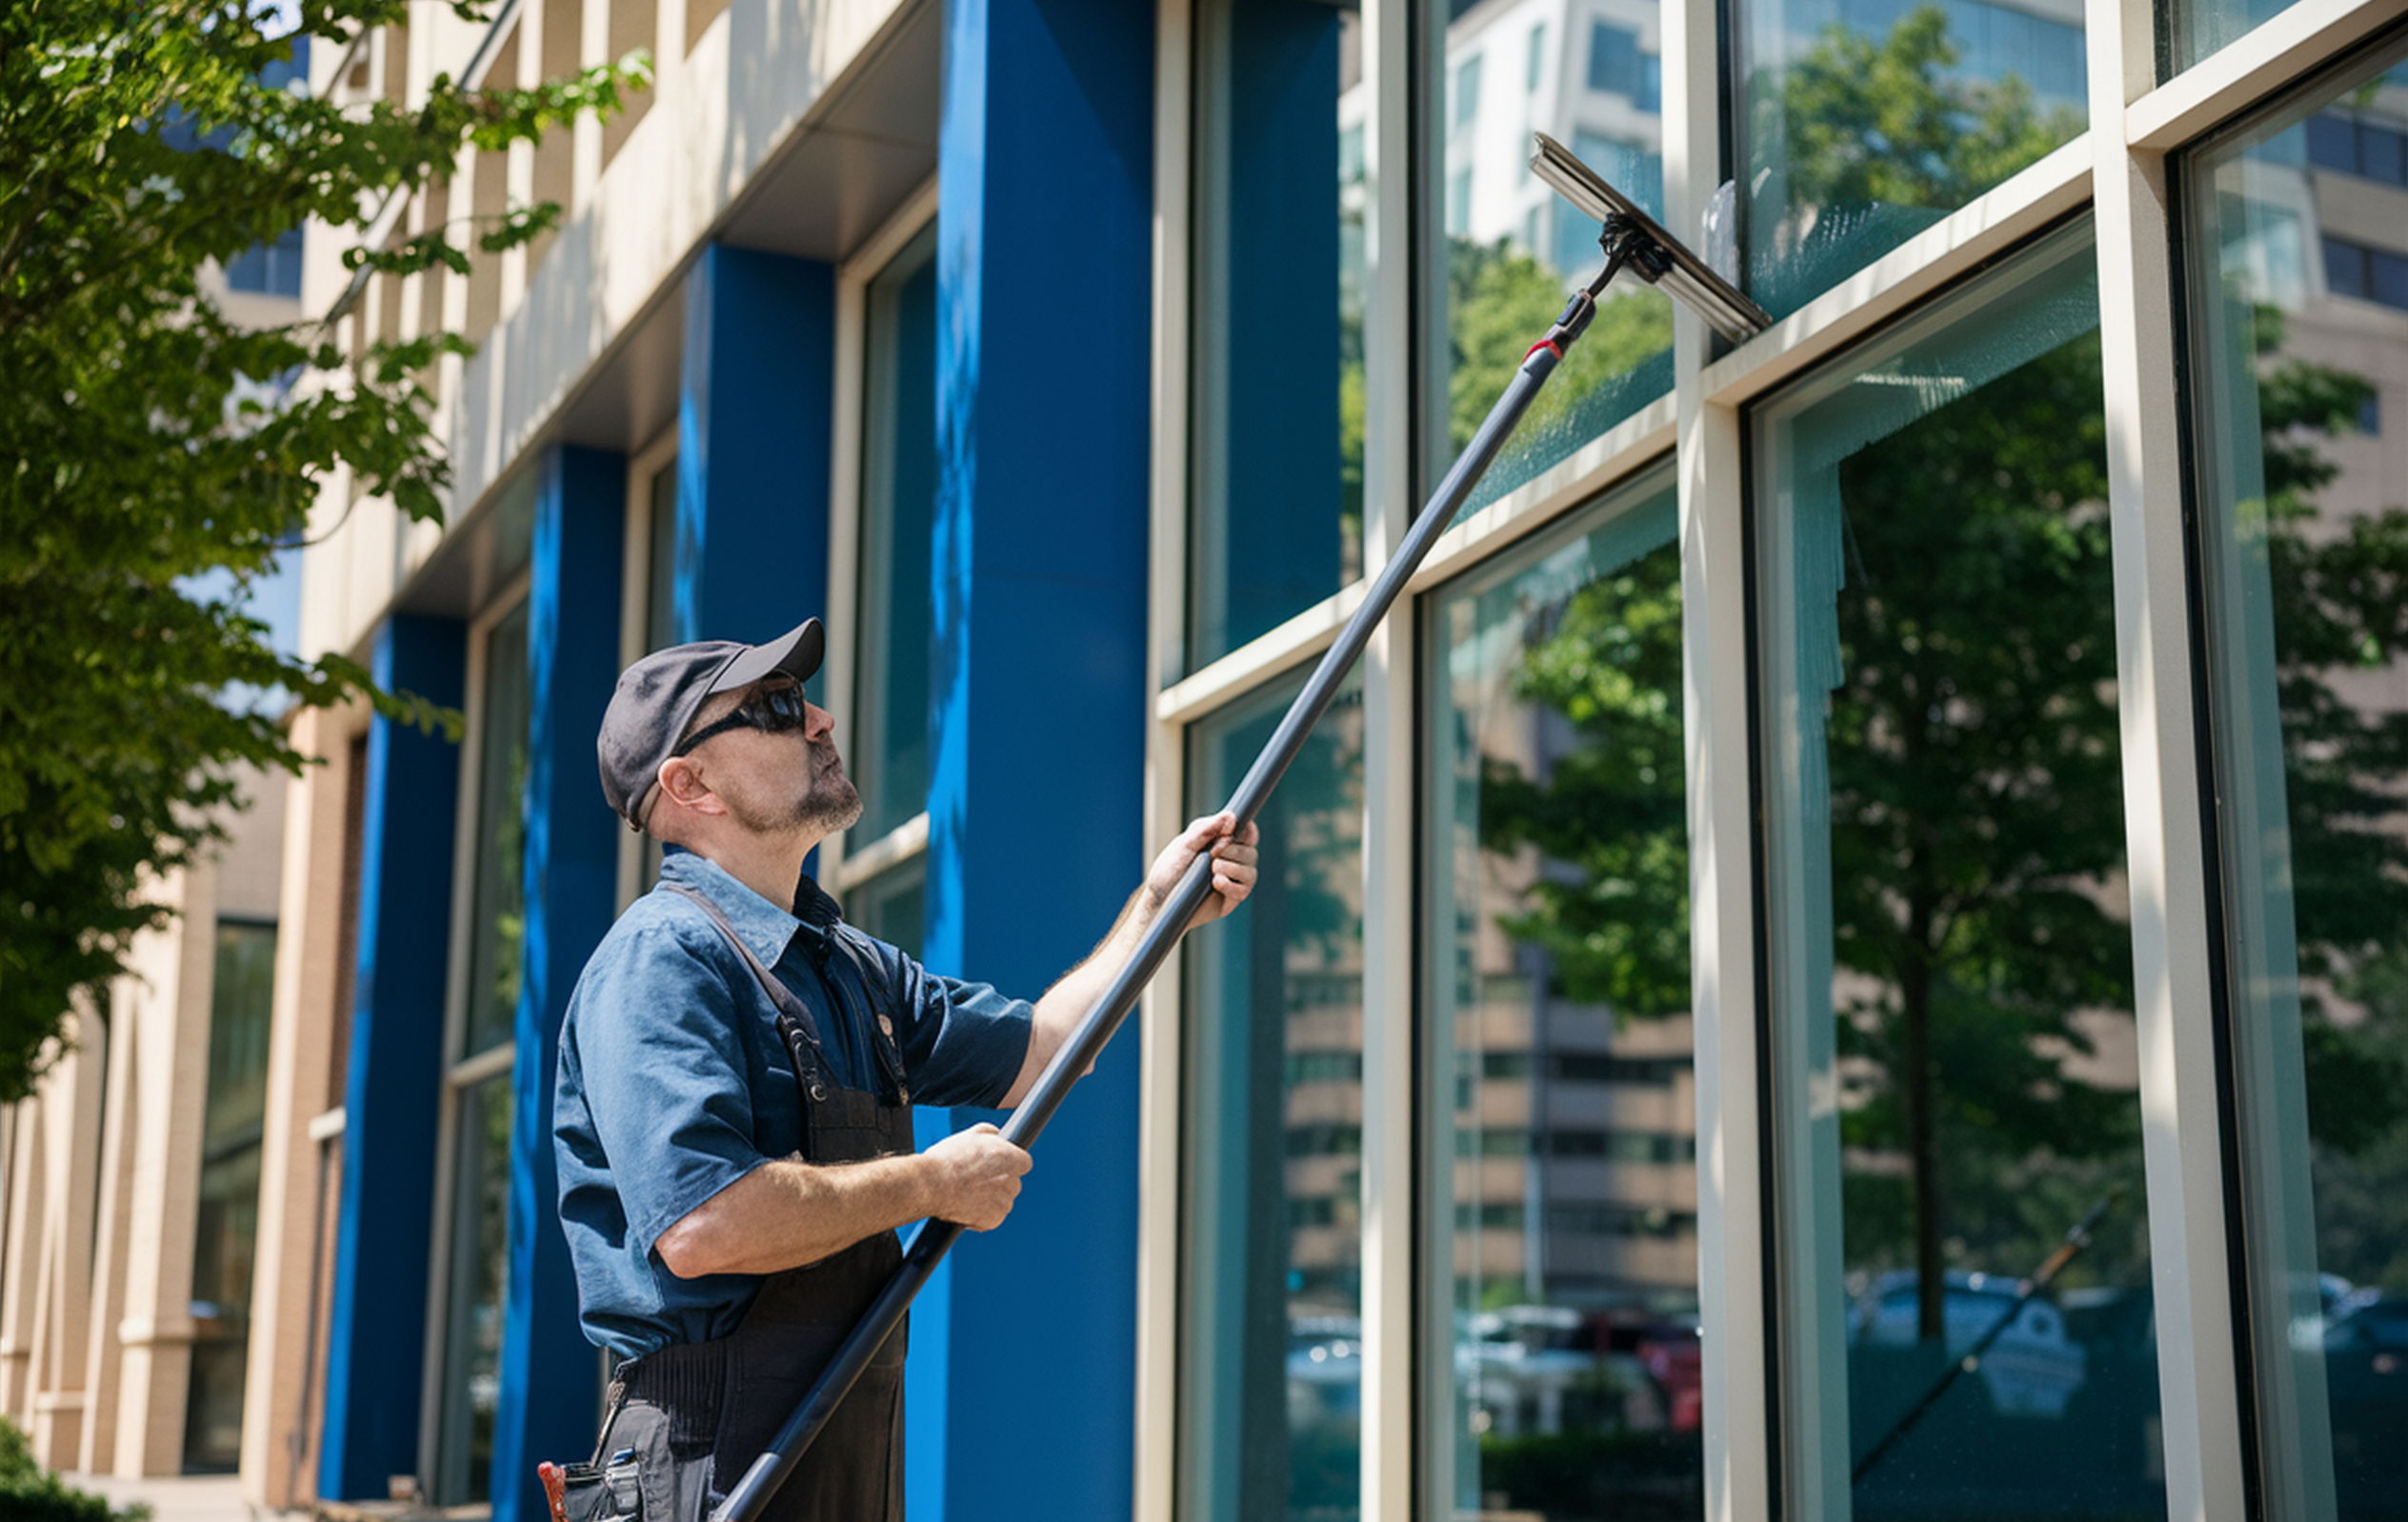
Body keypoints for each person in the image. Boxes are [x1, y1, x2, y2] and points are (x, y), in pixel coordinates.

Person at [552, 616, 1257, 1522]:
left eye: (802, 699)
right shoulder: (662, 960)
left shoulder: (847, 966)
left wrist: (1159, 909)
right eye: (774, 708)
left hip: (845, 1436)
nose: (821, 719)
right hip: (704, 1462)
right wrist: (931, 1181)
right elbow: (706, 1224)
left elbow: (1043, 1050)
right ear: (689, 785)